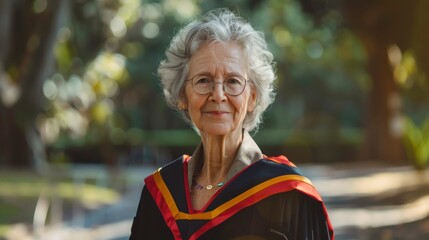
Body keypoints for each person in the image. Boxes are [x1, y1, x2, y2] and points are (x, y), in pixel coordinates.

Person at [130, 9, 334, 240]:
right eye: (203, 80)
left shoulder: (289, 195)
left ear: (252, 97)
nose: (218, 94)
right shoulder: (160, 193)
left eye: (233, 81)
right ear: (182, 96)